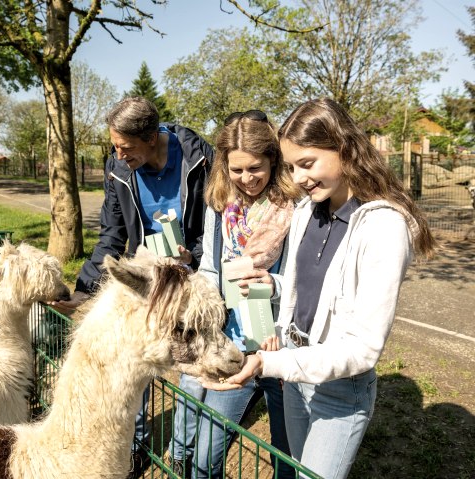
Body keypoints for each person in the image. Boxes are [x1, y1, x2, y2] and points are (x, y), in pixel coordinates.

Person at [202, 98, 436, 479]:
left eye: (307, 164)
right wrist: (273, 285)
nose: (297, 178)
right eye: (292, 167)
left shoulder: (383, 228)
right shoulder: (306, 211)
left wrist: (267, 363)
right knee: (294, 470)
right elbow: (311, 288)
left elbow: (362, 349)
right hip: (296, 375)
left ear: (344, 149)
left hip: (339, 389)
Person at [50, 96, 214, 479]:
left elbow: (216, 225)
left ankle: (182, 450)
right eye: (114, 147)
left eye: (125, 147)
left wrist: (196, 256)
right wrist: (83, 290)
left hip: (190, 271)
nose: (118, 155)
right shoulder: (118, 166)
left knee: (188, 356)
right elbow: (112, 233)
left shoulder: (198, 159)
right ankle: (134, 448)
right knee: (133, 356)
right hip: (145, 275)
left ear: (151, 137)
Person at [164, 109, 301, 479]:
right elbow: (211, 266)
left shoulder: (294, 207)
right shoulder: (221, 202)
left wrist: (272, 289)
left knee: (286, 451)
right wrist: (199, 305)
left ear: (273, 159)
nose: (247, 179)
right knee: (207, 455)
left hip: (279, 341)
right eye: (237, 170)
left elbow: (300, 279)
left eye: (255, 168)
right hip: (235, 340)